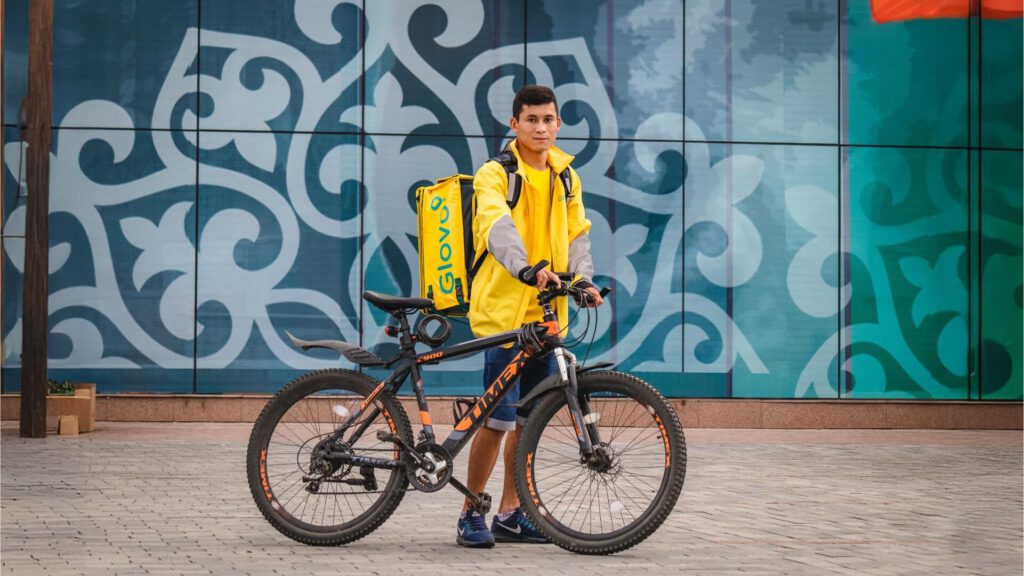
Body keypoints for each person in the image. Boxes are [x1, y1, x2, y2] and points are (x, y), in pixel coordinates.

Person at [456, 84, 604, 548]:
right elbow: (494, 225)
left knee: (530, 419)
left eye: (548, 120)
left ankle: (510, 514)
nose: (541, 127)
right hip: (505, 312)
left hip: (546, 315)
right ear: (514, 124)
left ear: (558, 124)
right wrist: (525, 267)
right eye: (531, 120)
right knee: (497, 420)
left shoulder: (565, 177)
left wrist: (583, 280)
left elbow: (579, 232)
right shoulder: (495, 173)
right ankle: (470, 512)